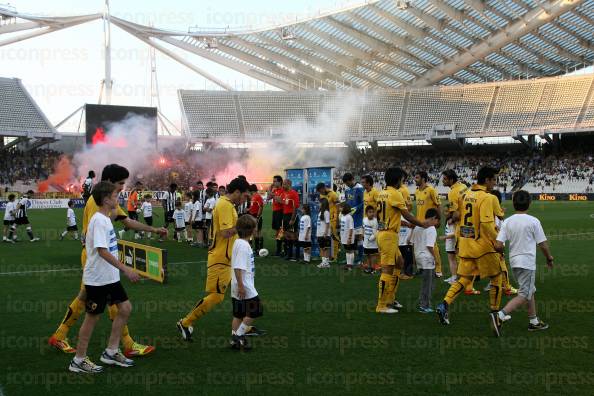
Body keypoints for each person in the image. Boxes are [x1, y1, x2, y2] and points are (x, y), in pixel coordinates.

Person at [49, 164, 167, 357]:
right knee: (113, 301)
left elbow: (127, 222)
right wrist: (125, 268)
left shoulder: (107, 199)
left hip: (95, 254)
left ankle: (60, 334)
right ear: (110, 183)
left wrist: (153, 230)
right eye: (120, 183)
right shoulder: (100, 202)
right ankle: (121, 346)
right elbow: (96, 237)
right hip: (96, 255)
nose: (122, 187)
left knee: (86, 297)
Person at [69, 181, 141, 373]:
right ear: (106, 199)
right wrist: (126, 269)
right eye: (115, 196)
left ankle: (110, 352)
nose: (118, 198)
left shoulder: (106, 218)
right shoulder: (99, 220)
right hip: (98, 279)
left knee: (125, 308)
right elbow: (102, 251)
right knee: (92, 318)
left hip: (110, 278)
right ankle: (78, 359)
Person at [177, 177, 252, 342]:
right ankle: (185, 322)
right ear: (237, 192)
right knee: (216, 296)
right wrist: (244, 226)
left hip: (228, 258)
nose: (245, 199)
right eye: (245, 196)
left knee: (243, 289)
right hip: (221, 259)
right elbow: (225, 233)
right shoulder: (224, 205)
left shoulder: (228, 204)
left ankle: (244, 325)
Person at [436, 167, 506, 327]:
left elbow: (456, 216)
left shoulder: (464, 195)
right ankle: (495, 314)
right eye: (494, 180)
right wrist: (499, 241)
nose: (495, 183)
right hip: (483, 247)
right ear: (487, 180)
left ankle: (444, 304)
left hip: (465, 244)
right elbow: (487, 224)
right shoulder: (488, 197)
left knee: (465, 279)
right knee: (496, 277)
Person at [492, 190, 553, 336]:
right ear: (529, 203)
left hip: (514, 262)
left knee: (529, 290)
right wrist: (549, 258)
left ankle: (534, 321)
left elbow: (498, 245)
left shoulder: (507, 221)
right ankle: (499, 315)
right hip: (527, 262)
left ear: (513, 203)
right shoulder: (533, 221)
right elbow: (543, 244)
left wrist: (501, 253)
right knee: (525, 294)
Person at [375, 167, 436, 314]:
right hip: (389, 236)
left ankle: (390, 298)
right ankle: (382, 305)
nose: (403, 181)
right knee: (388, 269)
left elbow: (386, 216)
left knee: (399, 263)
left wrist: (403, 224)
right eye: (402, 179)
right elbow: (407, 214)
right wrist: (423, 223)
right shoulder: (395, 193)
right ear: (397, 179)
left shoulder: (382, 193)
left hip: (384, 233)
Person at [230, 215, 265, 350]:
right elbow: (238, 267)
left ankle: (235, 341)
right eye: (255, 226)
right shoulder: (244, 246)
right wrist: (241, 286)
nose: (257, 228)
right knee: (256, 309)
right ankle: (238, 336)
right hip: (244, 285)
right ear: (251, 229)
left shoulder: (238, 242)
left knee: (238, 314)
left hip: (238, 284)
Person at [442, 169, 477, 294]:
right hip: (471, 223)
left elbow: (456, 214)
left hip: (461, 226)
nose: (442, 181)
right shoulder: (463, 186)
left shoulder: (452, 192)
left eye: (445, 179)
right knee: (470, 251)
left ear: (451, 179)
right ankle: (470, 277)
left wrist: (450, 219)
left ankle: (464, 280)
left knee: (461, 254)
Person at [409, 208, 440, 313]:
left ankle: (423, 302)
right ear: (433, 218)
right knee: (428, 284)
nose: (437, 223)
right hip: (427, 258)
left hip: (418, 256)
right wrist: (436, 258)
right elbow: (430, 246)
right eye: (437, 220)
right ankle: (424, 305)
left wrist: (414, 259)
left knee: (426, 282)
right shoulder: (431, 229)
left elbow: (411, 241)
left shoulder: (418, 226)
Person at [488, 190, 518, 296]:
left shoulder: (490, 211)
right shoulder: (496, 213)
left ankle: (492, 283)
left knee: (493, 265)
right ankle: (507, 287)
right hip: (496, 244)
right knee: (502, 265)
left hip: (489, 243)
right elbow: (496, 228)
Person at [414, 171, 442, 277]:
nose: (415, 179)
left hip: (429, 224)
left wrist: (438, 220)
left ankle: (438, 270)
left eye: (417, 177)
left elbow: (438, 205)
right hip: (419, 223)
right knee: (418, 246)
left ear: (424, 179)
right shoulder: (416, 191)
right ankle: (421, 267)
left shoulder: (431, 190)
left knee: (432, 246)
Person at [343, 172, 365, 265]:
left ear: (352, 179)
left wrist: (356, 208)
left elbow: (364, 202)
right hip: (349, 217)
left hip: (358, 217)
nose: (347, 185)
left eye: (347, 182)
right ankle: (351, 258)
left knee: (358, 237)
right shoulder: (347, 190)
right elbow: (347, 202)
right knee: (350, 237)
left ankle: (360, 258)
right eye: (345, 183)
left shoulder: (360, 188)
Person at [316, 182, 340, 261]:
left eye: (320, 191)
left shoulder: (333, 194)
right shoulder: (321, 195)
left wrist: (337, 220)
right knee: (323, 237)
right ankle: (324, 257)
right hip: (324, 219)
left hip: (333, 219)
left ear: (323, 188)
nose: (320, 193)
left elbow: (338, 207)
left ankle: (334, 256)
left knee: (334, 237)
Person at [281, 179, 300, 262]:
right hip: (285, 216)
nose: (283, 186)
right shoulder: (285, 193)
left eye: (284, 184)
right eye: (283, 184)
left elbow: (295, 208)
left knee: (294, 236)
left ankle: (297, 255)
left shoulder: (294, 193)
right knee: (287, 236)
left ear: (289, 184)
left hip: (291, 216)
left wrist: (292, 219)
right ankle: (289, 254)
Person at [269, 175, 285, 257]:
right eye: (273, 181)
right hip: (275, 212)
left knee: (280, 231)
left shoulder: (282, 190)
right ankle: (278, 249)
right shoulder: (275, 190)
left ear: (280, 182)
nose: (273, 183)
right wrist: (271, 191)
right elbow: (268, 198)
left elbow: (280, 201)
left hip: (280, 212)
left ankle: (281, 250)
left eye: (275, 181)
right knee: (276, 231)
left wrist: (273, 194)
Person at [362, 205, 379, 274]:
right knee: (367, 255)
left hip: (373, 242)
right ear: (366, 213)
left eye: (373, 212)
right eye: (370, 212)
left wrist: (370, 239)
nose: (371, 213)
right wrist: (363, 235)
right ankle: (369, 267)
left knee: (373, 255)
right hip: (365, 242)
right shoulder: (364, 219)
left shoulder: (375, 221)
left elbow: (375, 232)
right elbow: (363, 228)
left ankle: (373, 268)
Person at [248, 184, 264, 251]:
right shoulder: (253, 196)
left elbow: (261, 206)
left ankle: (258, 248)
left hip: (256, 216)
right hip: (252, 216)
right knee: (254, 232)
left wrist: (257, 217)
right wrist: (248, 210)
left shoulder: (258, 196)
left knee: (257, 232)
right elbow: (253, 206)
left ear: (252, 190)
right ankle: (257, 248)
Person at [316, 198, 331, 269]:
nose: (319, 204)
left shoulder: (326, 212)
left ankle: (326, 263)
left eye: (320, 203)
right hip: (319, 233)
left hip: (324, 234)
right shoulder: (320, 212)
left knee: (325, 248)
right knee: (321, 248)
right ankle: (324, 262)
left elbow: (328, 223)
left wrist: (325, 232)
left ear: (323, 204)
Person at [340, 203, 355, 271]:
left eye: (341, 207)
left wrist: (349, 238)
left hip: (348, 237)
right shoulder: (342, 216)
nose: (340, 208)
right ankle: (348, 264)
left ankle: (351, 265)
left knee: (350, 250)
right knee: (347, 250)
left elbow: (351, 228)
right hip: (343, 236)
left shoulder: (349, 217)